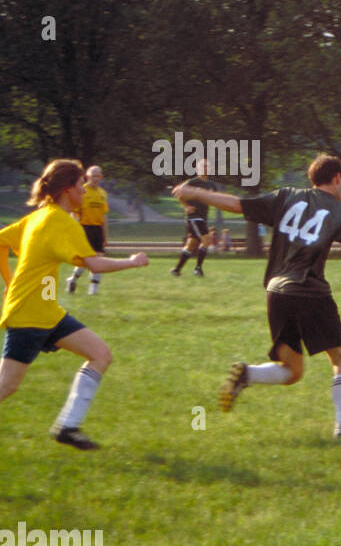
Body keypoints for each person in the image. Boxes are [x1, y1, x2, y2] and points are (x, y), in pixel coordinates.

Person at [172, 153, 341, 437]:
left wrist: (195, 191)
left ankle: (248, 374)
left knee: (292, 371)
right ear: (337, 178)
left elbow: (236, 204)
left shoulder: (286, 197)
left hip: (276, 291)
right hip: (309, 290)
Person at [0, 159, 150, 450]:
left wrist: (10, 281)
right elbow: (94, 263)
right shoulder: (60, 222)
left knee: (100, 354)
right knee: (6, 385)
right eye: (81, 186)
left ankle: (68, 427)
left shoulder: (38, 216)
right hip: (29, 315)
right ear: (69, 189)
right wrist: (131, 262)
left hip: (48, 313)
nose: (85, 192)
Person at [66, 164, 110, 294]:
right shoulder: (82, 191)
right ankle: (73, 279)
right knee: (86, 260)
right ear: (87, 177)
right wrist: (76, 230)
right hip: (85, 228)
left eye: (98, 176)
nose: (96, 178)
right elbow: (74, 213)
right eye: (93, 176)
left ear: (101, 177)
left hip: (97, 229)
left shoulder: (103, 193)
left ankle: (93, 289)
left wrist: (105, 236)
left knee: (99, 258)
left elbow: (104, 215)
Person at [171, 159, 217, 277]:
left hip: (203, 217)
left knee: (191, 244)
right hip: (194, 217)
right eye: (203, 166)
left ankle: (177, 270)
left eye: (207, 166)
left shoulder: (211, 185)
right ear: (198, 169)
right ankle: (198, 269)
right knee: (206, 240)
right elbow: (177, 192)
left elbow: (216, 199)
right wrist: (186, 206)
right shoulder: (192, 182)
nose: (205, 168)